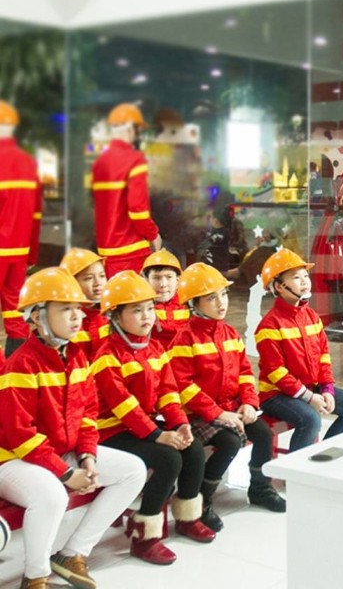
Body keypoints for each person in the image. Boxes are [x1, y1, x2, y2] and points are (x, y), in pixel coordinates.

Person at [0, 267, 146, 589]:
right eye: (65, 309)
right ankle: (35, 578)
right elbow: (19, 435)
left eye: (78, 308)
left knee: (133, 470)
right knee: (52, 496)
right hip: (13, 460)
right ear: (37, 316)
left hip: (56, 453)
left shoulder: (77, 357)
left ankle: (72, 554)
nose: (77, 316)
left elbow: (88, 414)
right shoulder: (21, 364)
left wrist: (87, 457)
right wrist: (66, 474)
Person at [92, 271, 215, 566]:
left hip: (141, 427)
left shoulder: (154, 348)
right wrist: (159, 436)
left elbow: (168, 392)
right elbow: (124, 408)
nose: (147, 316)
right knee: (168, 458)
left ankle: (188, 518)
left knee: (193, 448)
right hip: (111, 432)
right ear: (115, 316)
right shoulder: (107, 356)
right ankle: (144, 537)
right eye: (137, 310)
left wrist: (180, 424)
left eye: (149, 308)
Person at [169, 262, 286, 531]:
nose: (221, 302)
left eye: (223, 294)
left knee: (263, 433)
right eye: (211, 298)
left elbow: (244, 372)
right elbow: (183, 387)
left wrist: (249, 403)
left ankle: (260, 488)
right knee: (230, 442)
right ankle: (203, 500)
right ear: (194, 304)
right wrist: (218, 413)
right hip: (199, 415)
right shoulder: (184, 339)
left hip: (231, 409)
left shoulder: (230, 333)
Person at [255, 249, 343, 451]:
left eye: (306, 275)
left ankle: (324, 457)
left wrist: (327, 389)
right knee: (311, 419)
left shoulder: (312, 317)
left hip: (309, 388)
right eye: (296, 277)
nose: (305, 281)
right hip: (276, 395)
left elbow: (323, 357)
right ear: (279, 286)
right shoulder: (269, 326)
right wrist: (309, 397)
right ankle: (296, 469)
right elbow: (276, 373)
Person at [91, 103, 162, 277]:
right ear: (131, 129)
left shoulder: (100, 162)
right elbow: (137, 209)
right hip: (132, 251)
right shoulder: (134, 160)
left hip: (106, 252)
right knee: (135, 294)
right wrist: (154, 235)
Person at [0, 100, 42, 358]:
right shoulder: (28, 163)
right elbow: (36, 214)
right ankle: (15, 365)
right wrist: (32, 254)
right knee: (15, 312)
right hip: (18, 251)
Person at [59, 248, 110, 360]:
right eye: (89, 278)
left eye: (102, 276)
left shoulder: (116, 315)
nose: (98, 283)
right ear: (71, 283)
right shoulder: (63, 322)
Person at [141, 249, 189, 348]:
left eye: (169, 277)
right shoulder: (139, 307)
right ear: (146, 280)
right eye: (156, 278)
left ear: (178, 279)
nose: (163, 284)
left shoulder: (190, 303)